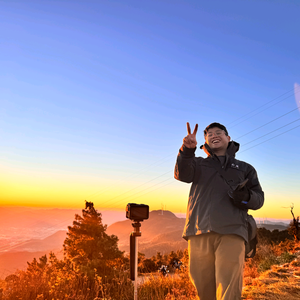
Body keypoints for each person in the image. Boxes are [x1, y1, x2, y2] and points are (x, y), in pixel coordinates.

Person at [174, 122, 264, 300]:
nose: (214, 135)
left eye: (219, 132)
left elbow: (259, 199)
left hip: (232, 231)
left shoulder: (246, 168)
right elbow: (181, 174)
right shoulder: (197, 163)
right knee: (203, 288)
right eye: (209, 134)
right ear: (205, 141)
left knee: (229, 287)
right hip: (199, 230)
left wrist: (245, 196)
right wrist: (186, 150)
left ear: (228, 138)